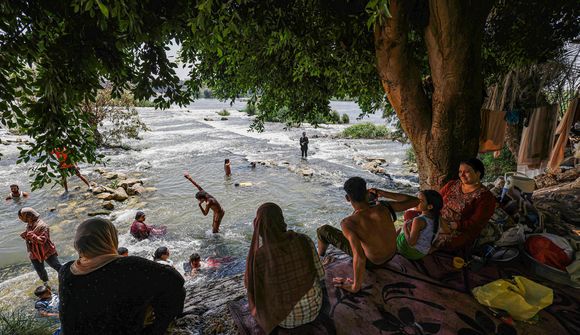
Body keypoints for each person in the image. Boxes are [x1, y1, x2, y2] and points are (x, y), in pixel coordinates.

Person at [59, 218, 185, 335]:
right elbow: (176, 280)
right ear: (110, 238)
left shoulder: (65, 270)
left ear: (78, 242)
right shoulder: (128, 265)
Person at [317, 177, 418, 293]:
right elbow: (415, 201)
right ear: (367, 193)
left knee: (323, 230)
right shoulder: (384, 207)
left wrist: (355, 287)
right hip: (392, 255)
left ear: (347, 198)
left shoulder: (348, 223)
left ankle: (321, 258)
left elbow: (359, 257)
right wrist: (383, 193)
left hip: (373, 263)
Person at [246, 203, 325, 333]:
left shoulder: (260, 256)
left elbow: (255, 290)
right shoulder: (304, 240)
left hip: (283, 320)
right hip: (314, 308)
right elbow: (321, 275)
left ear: (258, 225)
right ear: (282, 220)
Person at [433, 158, 496, 251]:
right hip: (438, 219)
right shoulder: (452, 184)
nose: (461, 175)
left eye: (466, 172)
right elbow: (436, 200)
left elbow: (476, 223)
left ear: (478, 173)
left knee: (434, 240)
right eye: (460, 172)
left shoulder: (486, 197)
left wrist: (456, 225)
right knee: (412, 217)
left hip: (459, 229)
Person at [18, 208, 62, 285]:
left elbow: (42, 240)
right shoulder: (29, 225)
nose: (21, 219)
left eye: (22, 217)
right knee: (40, 270)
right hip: (34, 252)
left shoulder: (42, 226)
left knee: (57, 266)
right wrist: (26, 235)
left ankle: (67, 278)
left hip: (46, 250)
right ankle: (46, 285)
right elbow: (31, 235)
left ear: (29, 216)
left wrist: (31, 235)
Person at [396, 190, 443, 260]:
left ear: (430, 206)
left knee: (400, 231)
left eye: (420, 201)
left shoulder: (418, 220)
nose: (416, 202)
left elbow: (411, 243)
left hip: (412, 253)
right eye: (416, 199)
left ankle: (395, 246)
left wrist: (405, 227)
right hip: (424, 251)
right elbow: (446, 230)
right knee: (409, 228)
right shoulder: (437, 217)